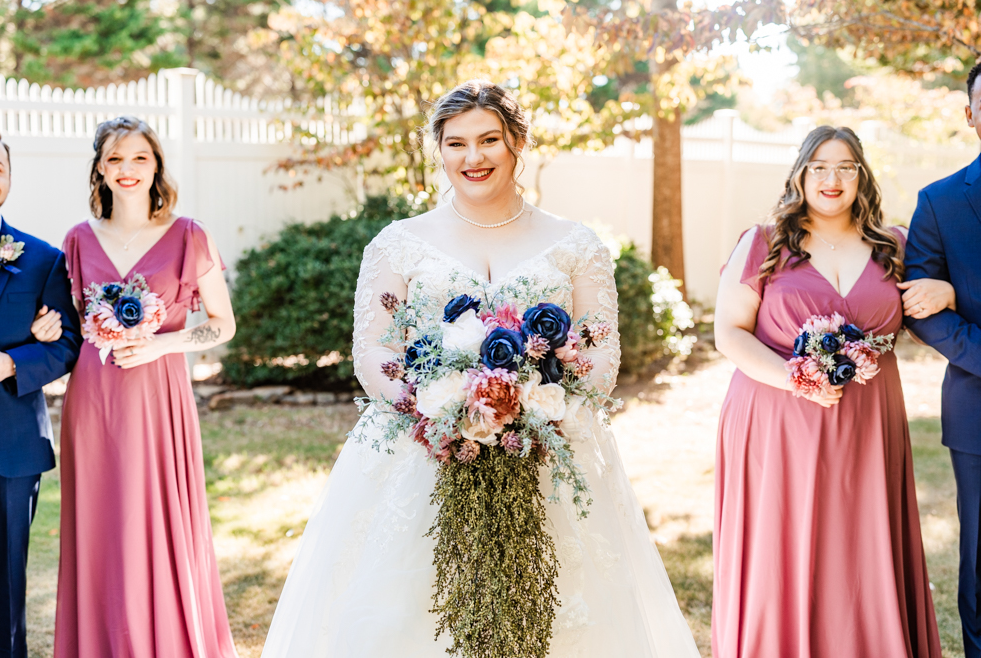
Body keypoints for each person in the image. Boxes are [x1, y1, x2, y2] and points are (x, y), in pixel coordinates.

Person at [259, 80, 701, 657]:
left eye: (489, 140)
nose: (473, 158)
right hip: (422, 451)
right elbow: (374, 351)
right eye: (456, 143)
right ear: (438, 150)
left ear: (517, 142)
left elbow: (600, 355)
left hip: (548, 447)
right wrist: (440, 408)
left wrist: (531, 408)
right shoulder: (398, 244)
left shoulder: (574, 244)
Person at [712, 125, 947, 657]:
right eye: (819, 166)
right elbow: (729, 334)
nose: (832, 178)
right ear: (800, 174)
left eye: (845, 166)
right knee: (783, 548)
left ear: (861, 176)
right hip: (776, 418)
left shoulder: (895, 245)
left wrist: (947, 287)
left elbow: (929, 308)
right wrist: (798, 380)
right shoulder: (763, 242)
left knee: (862, 548)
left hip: (868, 420)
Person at [32, 116, 239, 657]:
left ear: (156, 166)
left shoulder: (190, 235)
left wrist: (162, 345)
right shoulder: (77, 240)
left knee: (160, 518)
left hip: (160, 396)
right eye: (116, 159)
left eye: (139, 158)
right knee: (102, 524)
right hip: (94, 400)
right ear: (100, 168)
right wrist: (46, 328)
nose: (128, 169)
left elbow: (223, 322)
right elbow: (66, 324)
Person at [0, 124, 81, 658]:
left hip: (10, 447)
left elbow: (67, 345)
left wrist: (10, 363)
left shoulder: (42, 259)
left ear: (10, 177)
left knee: (5, 585)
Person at [903, 61, 981, 658]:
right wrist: (951, 297)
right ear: (970, 115)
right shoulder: (939, 202)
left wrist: (966, 295)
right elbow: (923, 310)